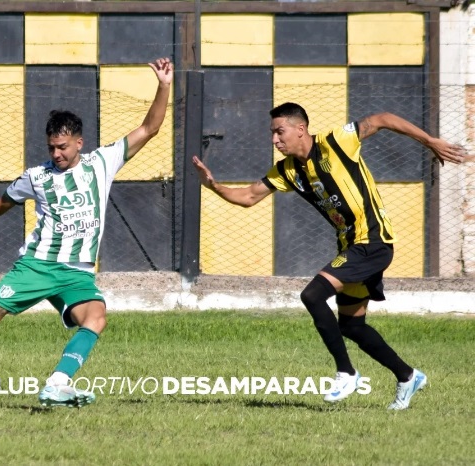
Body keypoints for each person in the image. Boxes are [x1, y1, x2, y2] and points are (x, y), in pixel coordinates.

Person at [0, 57, 174, 408]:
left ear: (79, 143)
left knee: (96, 316)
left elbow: (150, 128)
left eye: (63, 147)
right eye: (51, 147)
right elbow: (1, 203)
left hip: (76, 273)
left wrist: (163, 86)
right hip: (38, 266)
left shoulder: (103, 162)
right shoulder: (36, 176)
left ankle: (57, 383)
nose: (56, 154)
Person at [193, 102, 467, 410]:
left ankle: (346, 372)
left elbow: (382, 118)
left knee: (312, 295)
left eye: (279, 132)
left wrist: (431, 142)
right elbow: (248, 197)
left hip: (372, 241)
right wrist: (213, 185)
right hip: (351, 247)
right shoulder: (287, 170)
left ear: (301, 129)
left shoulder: (335, 143)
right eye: (272, 133)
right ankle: (407, 376)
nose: (275, 140)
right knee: (352, 326)